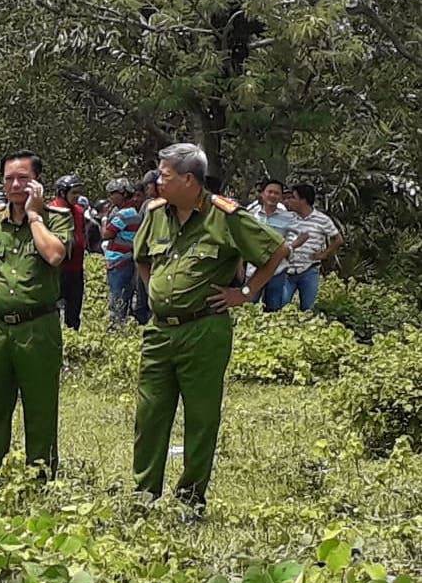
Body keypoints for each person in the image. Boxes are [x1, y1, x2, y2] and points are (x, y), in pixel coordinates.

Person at [132, 143, 288, 513]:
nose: (157, 181)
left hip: (204, 330)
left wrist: (246, 293)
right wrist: (158, 291)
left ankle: (189, 499)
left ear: (189, 179)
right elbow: (141, 258)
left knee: (201, 417)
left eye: (164, 175)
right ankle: (144, 495)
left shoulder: (225, 216)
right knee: (150, 414)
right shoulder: (155, 214)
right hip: (159, 332)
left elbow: (277, 251)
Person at [0, 151, 73, 478]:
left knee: (40, 407)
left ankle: (40, 477)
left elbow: (55, 256)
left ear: (37, 182)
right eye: (9, 178)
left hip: (38, 328)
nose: (15, 185)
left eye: (23, 178)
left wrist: (34, 216)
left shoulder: (57, 218)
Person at [282, 183, 343, 312]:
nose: (289, 201)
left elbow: (338, 239)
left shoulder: (322, 220)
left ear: (303, 200)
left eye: (293, 197)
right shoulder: (288, 218)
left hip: (309, 270)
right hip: (288, 270)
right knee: (282, 305)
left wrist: (324, 254)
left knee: (308, 309)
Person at [246, 179, 303, 311]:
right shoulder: (251, 216)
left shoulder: (288, 217)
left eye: (276, 193)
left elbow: (298, 236)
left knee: (273, 309)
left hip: (277, 270)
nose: (273, 195)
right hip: (254, 270)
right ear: (262, 194)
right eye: (270, 192)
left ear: (281, 197)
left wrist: (288, 249)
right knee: (248, 306)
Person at [101, 179, 147, 327]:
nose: (111, 198)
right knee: (124, 296)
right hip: (126, 259)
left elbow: (106, 234)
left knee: (118, 298)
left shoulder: (124, 214)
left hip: (119, 261)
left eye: (113, 194)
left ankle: (117, 327)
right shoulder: (133, 212)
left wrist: (104, 220)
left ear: (123, 194)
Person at [49, 175, 87, 330]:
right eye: (74, 193)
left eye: (79, 193)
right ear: (62, 193)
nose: (77, 197)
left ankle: (74, 337)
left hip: (76, 268)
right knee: (53, 309)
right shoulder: (51, 210)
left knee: (74, 309)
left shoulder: (78, 211)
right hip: (57, 270)